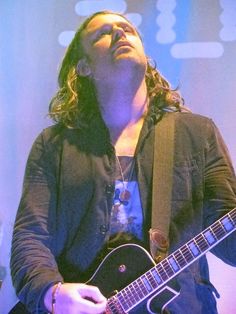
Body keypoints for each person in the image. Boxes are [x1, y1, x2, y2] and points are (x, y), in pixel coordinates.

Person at [10, 10, 236, 314]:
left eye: (127, 28)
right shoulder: (54, 146)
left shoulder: (197, 134)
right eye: (103, 33)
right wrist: (53, 294)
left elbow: (229, 244)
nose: (120, 33)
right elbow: (30, 238)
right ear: (85, 67)